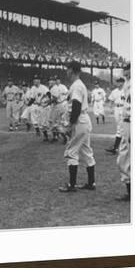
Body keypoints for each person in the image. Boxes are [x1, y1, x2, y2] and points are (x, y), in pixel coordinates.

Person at [59, 61, 96, 193]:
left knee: (71, 151)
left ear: (72, 70)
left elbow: (76, 106)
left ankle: (71, 184)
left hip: (79, 120)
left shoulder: (76, 86)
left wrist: (70, 125)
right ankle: (91, 183)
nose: (66, 71)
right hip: (84, 120)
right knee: (86, 152)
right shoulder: (79, 85)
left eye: (68, 69)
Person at [116, 65, 131, 201]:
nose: (125, 73)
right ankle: (130, 191)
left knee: (128, 157)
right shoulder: (127, 83)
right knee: (123, 158)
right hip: (126, 121)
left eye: (128, 71)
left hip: (132, 122)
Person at [105, 77, 126, 155]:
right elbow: (111, 100)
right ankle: (117, 147)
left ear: (123, 82)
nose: (118, 83)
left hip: (124, 108)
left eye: (120, 82)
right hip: (117, 108)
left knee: (120, 128)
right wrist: (110, 108)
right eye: (117, 82)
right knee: (119, 127)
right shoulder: (114, 91)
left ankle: (115, 147)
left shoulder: (126, 90)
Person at [49, 76, 69, 143]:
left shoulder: (54, 88)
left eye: (53, 80)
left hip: (58, 105)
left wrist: (47, 103)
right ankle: (56, 136)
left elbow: (55, 98)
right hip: (58, 105)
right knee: (55, 122)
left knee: (55, 123)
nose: (51, 81)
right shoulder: (54, 87)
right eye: (50, 80)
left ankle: (64, 135)